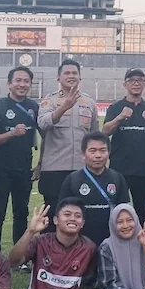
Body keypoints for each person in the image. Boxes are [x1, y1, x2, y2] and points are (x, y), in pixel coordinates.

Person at [0, 66, 40, 251]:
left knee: (21, 212)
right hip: (1, 169)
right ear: (9, 83)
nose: (22, 84)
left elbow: (47, 135)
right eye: (18, 80)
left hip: (24, 169)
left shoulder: (34, 107)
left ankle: (20, 254)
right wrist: (12, 133)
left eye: (26, 81)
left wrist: (40, 164)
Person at [37, 59, 98, 212]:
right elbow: (43, 123)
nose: (71, 76)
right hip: (54, 168)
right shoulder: (49, 101)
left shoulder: (89, 102)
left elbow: (94, 136)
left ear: (80, 77)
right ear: (58, 77)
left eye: (74, 73)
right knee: (54, 213)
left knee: (82, 212)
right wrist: (64, 107)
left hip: (82, 168)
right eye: (67, 73)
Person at [103, 68, 145, 223]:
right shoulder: (116, 107)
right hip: (119, 169)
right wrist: (119, 118)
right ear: (125, 84)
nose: (136, 83)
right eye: (132, 80)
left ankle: (143, 238)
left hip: (143, 170)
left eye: (140, 80)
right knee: (117, 211)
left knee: (142, 212)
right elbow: (105, 131)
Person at [57, 132, 130, 244]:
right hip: (80, 243)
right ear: (83, 153)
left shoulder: (117, 178)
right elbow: (63, 212)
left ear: (109, 153)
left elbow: (124, 210)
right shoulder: (72, 180)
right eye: (92, 151)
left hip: (111, 241)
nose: (98, 155)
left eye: (103, 150)